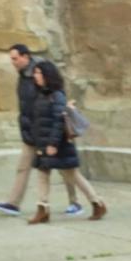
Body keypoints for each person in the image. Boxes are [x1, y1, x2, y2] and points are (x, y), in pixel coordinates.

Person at [0, 46, 86, 218]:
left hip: (49, 131)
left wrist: (53, 136)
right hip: (32, 130)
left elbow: (56, 98)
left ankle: (75, 202)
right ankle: (13, 204)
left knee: (66, 169)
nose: (12, 62)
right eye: (11, 59)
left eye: (15, 58)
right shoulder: (23, 77)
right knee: (23, 167)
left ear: (25, 56)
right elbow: (26, 107)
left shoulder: (42, 71)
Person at [26, 60, 107, 224]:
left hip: (58, 144)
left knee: (73, 175)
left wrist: (53, 144)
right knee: (42, 174)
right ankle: (43, 209)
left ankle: (97, 203)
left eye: (38, 73)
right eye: (34, 73)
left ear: (47, 75)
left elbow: (58, 121)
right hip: (43, 143)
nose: (35, 76)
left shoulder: (57, 95)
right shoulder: (41, 95)